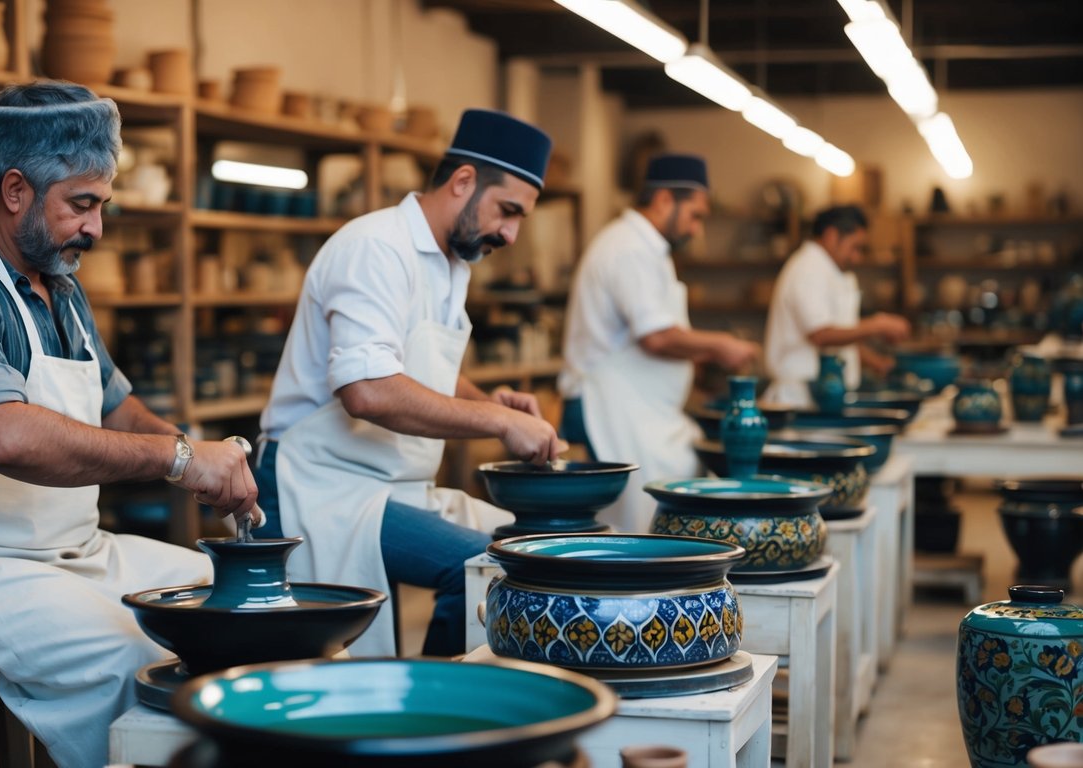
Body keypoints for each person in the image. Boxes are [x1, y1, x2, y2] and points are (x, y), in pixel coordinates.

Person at [0, 81, 259, 768]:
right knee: (131, 655)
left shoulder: (58, 287)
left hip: (62, 551)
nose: (97, 227)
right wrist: (180, 457)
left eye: (100, 204)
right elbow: (2, 435)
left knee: (232, 609)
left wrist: (208, 464)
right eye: (82, 204)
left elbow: (115, 407)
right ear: (15, 191)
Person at [253, 109, 564, 657]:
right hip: (318, 484)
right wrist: (499, 421)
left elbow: (415, 365)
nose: (512, 234)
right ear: (463, 181)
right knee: (484, 569)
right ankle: (440, 712)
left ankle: (438, 702)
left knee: (533, 548)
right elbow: (367, 389)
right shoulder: (377, 247)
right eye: (507, 211)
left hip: (386, 483)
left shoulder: (451, 262)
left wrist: (486, 401)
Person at [558, 154, 759, 533]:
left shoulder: (651, 250)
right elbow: (657, 336)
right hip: (611, 407)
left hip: (641, 410)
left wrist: (698, 357)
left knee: (675, 491)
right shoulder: (628, 248)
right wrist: (720, 345)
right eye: (695, 215)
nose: (697, 229)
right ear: (665, 199)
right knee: (641, 522)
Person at [763, 205, 911, 406]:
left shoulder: (831, 270)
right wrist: (878, 324)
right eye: (855, 247)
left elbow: (840, 334)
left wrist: (874, 361)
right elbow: (821, 335)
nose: (857, 257)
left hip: (827, 392)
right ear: (832, 235)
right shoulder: (808, 268)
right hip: (801, 397)